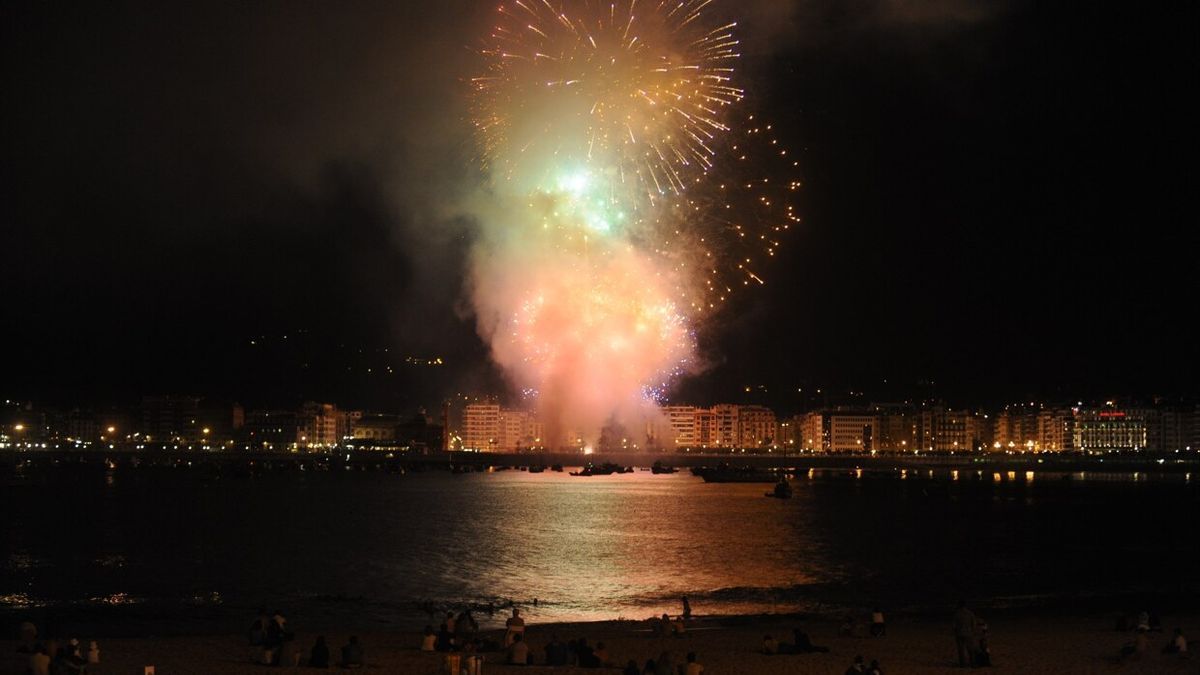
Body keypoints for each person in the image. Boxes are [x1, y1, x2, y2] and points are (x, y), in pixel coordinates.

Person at [953, 600, 979, 667]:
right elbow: (974, 624)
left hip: (960, 633)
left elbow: (954, 625)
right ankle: (972, 663)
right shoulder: (970, 613)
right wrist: (973, 631)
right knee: (970, 649)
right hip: (968, 633)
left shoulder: (957, 614)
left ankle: (962, 663)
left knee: (961, 650)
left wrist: (955, 632)